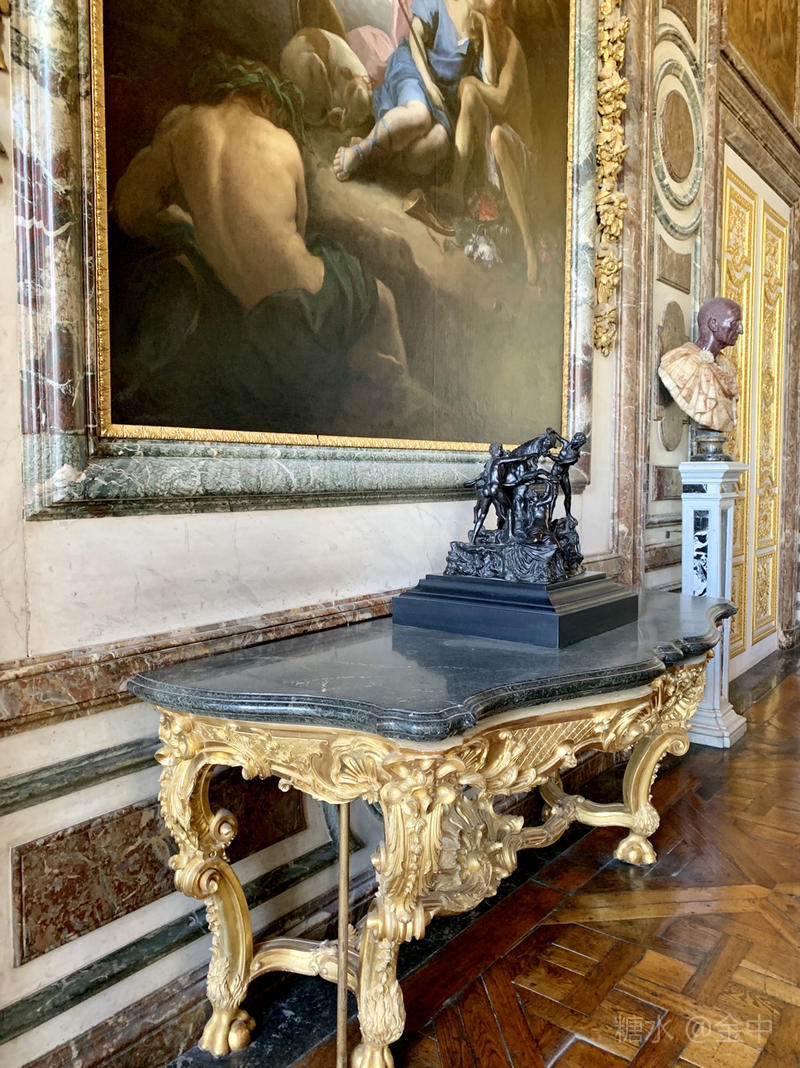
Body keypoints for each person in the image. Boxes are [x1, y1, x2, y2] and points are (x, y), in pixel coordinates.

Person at [112, 54, 408, 431]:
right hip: (315, 300)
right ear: (264, 99)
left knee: (291, 334)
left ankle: (348, 364)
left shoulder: (179, 126)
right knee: (383, 300)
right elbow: (299, 231)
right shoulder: (281, 140)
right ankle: (394, 401)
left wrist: (183, 224)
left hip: (262, 326)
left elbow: (129, 211)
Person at [437, 0, 538, 283]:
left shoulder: (512, 45)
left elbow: (502, 100)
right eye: (488, 17)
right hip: (493, 152)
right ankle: (455, 187)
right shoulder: (483, 45)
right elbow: (483, 83)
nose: (494, 24)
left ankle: (528, 244)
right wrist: (482, 30)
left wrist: (472, 83)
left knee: (496, 135)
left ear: (505, 16)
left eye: (497, 18)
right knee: (471, 96)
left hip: (518, 154)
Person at [333, 0, 485, 180]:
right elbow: (415, 37)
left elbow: (486, 75)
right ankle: (360, 151)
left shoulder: (480, 22)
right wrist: (428, 83)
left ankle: (380, 154)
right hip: (416, 70)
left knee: (436, 144)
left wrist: (485, 28)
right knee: (419, 115)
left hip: (443, 101)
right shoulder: (438, 2)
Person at [658, 298, 742, 433]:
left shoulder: (727, 368)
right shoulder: (682, 362)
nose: (740, 330)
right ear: (713, 324)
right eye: (734, 323)